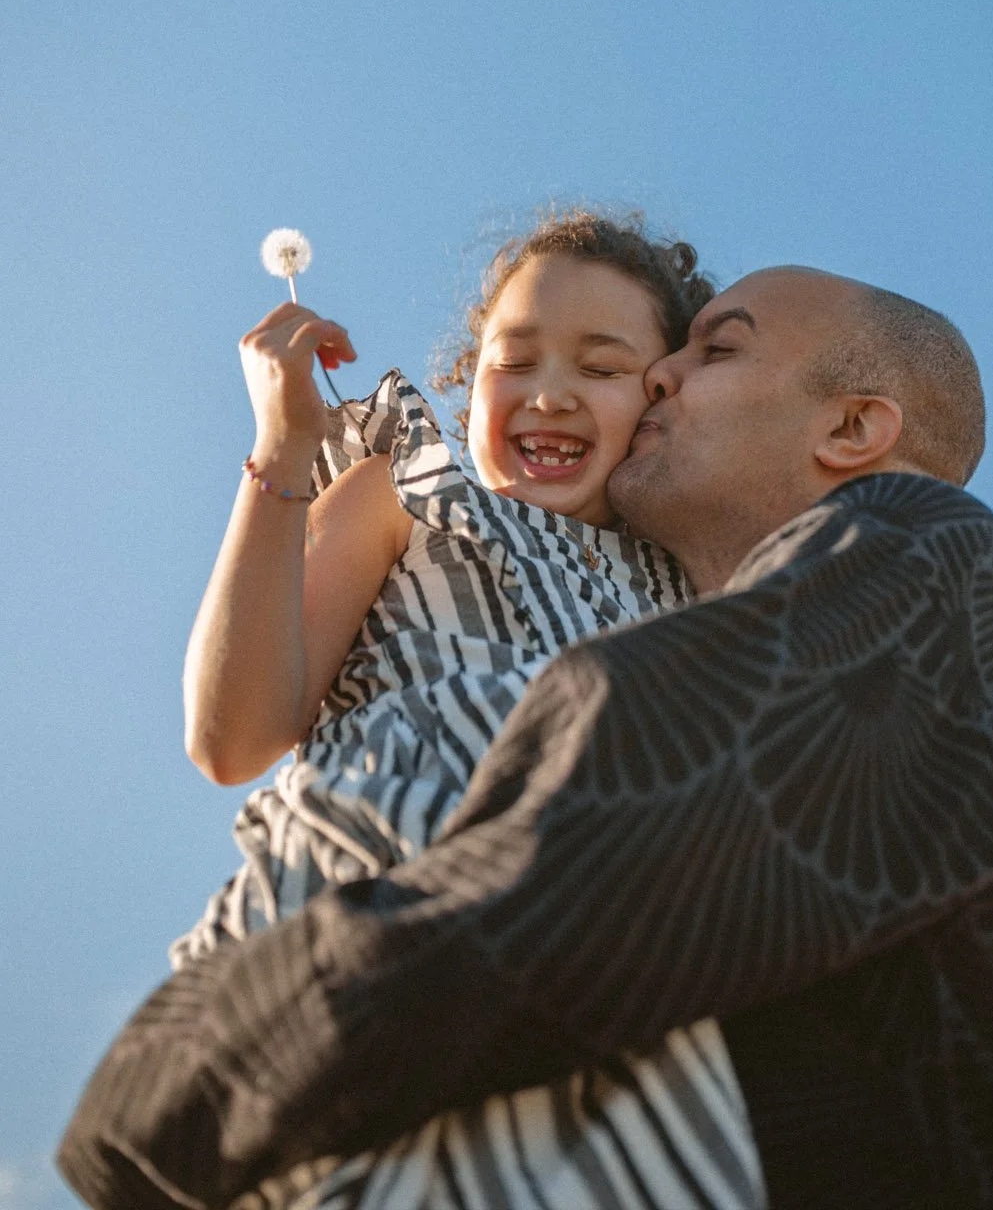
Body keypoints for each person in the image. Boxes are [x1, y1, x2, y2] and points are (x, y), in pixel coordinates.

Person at [59, 267, 993, 1210]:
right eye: (515, 358)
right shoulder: (446, 520)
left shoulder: (926, 553)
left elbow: (595, 857)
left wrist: (181, 1082)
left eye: (707, 350)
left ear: (852, 428)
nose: (663, 380)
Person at [170, 209, 766, 1202]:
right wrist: (282, 446)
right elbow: (232, 736)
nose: (549, 392)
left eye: (602, 365)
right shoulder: (401, 497)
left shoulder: (697, 591)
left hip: (618, 977)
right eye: (513, 359)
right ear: (469, 376)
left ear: (659, 398)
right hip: (377, 932)